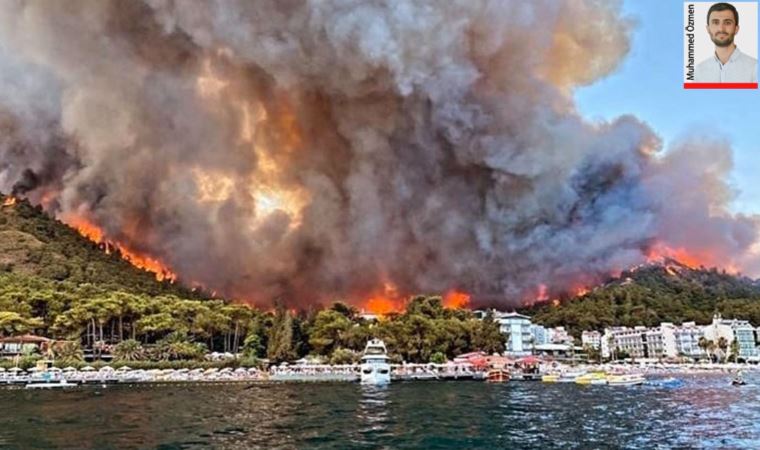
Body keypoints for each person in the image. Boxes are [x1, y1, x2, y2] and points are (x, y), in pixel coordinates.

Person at [695, 3, 757, 83]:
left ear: (736, 29)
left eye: (727, 23)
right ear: (708, 29)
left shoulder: (755, 67)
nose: (721, 29)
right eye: (715, 22)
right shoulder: (700, 70)